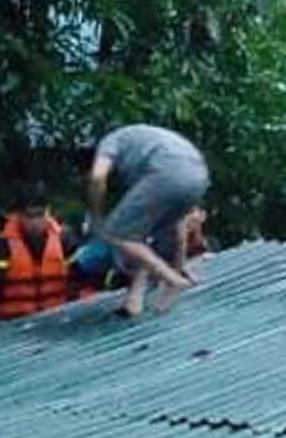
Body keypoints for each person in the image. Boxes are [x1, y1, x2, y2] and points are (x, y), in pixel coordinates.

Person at [87, 125, 210, 317]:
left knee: (115, 232)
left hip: (167, 175)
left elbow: (97, 177)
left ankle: (173, 280)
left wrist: (96, 214)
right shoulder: (145, 138)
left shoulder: (111, 141)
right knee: (148, 234)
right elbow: (174, 232)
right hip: (199, 175)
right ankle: (138, 297)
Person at [0, 194, 80, 336]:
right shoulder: (1, 246)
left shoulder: (65, 240)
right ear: (19, 216)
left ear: (48, 213)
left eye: (40, 215)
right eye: (29, 216)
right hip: (11, 327)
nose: (35, 222)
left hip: (57, 323)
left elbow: (81, 279)